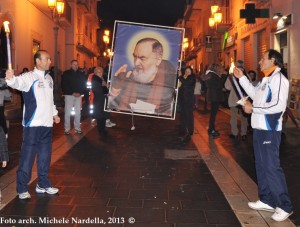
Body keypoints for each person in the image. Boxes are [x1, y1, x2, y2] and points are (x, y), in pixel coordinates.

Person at [233, 49, 293, 222]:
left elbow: (277, 106)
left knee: (271, 167)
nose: (259, 61)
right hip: (258, 128)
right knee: (260, 165)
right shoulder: (265, 79)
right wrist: (241, 78)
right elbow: (254, 95)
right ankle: (267, 199)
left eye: (262, 59)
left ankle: (285, 205)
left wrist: (253, 109)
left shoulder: (279, 79)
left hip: (269, 130)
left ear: (273, 60)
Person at [5, 50, 60, 199]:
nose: (50, 61)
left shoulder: (49, 79)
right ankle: (22, 188)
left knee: (44, 157)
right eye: (47, 59)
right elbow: (17, 83)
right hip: (32, 125)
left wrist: (54, 113)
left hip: (47, 124)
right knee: (27, 157)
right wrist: (10, 79)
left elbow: (50, 100)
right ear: (38, 61)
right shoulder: (29, 77)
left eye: (49, 59)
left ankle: (43, 184)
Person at [108, 38, 177, 116]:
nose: (136, 63)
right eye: (135, 57)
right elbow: (111, 107)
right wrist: (114, 90)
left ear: (158, 60)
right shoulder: (127, 78)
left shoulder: (170, 84)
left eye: (142, 58)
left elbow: (170, 113)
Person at [225, 60, 250, 140]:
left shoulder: (232, 76)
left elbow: (227, 87)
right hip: (244, 99)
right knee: (244, 118)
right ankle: (244, 133)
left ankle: (234, 133)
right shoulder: (247, 75)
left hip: (233, 99)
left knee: (233, 117)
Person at [61, 60, 86, 134]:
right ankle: (67, 129)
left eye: (77, 64)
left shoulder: (81, 74)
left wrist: (80, 93)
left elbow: (83, 85)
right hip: (69, 95)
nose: (75, 66)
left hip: (78, 95)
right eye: (74, 64)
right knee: (67, 112)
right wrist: (72, 92)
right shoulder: (66, 73)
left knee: (78, 112)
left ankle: (77, 128)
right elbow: (64, 85)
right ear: (70, 65)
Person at [91, 67, 114, 137]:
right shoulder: (95, 79)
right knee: (99, 116)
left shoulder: (102, 79)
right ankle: (101, 131)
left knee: (103, 116)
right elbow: (96, 90)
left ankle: (103, 129)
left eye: (101, 72)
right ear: (95, 73)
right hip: (99, 100)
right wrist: (105, 93)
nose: (100, 73)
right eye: (99, 72)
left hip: (103, 99)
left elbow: (104, 88)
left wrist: (107, 91)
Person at [204, 64, 224, 138]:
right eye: (219, 68)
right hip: (215, 96)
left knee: (213, 114)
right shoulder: (213, 75)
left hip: (213, 96)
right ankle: (212, 130)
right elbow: (218, 85)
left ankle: (211, 129)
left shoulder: (210, 74)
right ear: (216, 68)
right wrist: (222, 77)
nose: (220, 69)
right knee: (213, 114)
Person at [178, 66, 196, 143]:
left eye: (189, 71)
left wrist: (180, 77)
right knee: (182, 115)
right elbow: (179, 86)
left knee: (189, 116)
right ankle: (182, 130)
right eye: (186, 70)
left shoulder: (192, 78)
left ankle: (190, 130)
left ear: (191, 72)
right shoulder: (183, 77)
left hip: (188, 100)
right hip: (182, 100)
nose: (187, 72)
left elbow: (186, 83)